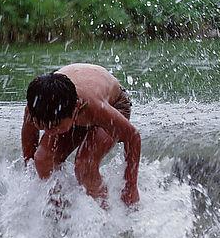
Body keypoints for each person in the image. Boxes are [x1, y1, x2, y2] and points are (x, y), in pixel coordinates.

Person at [21, 63, 141, 206]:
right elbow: (30, 149)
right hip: (65, 107)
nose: (48, 132)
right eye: (43, 126)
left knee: (85, 164)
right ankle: (58, 210)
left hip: (115, 104)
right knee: (42, 159)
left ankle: (105, 212)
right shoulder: (36, 105)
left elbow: (133, 137)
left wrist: (130, 185)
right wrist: (29, 167)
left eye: (54, 127)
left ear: (76, 109)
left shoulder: (97, 108)